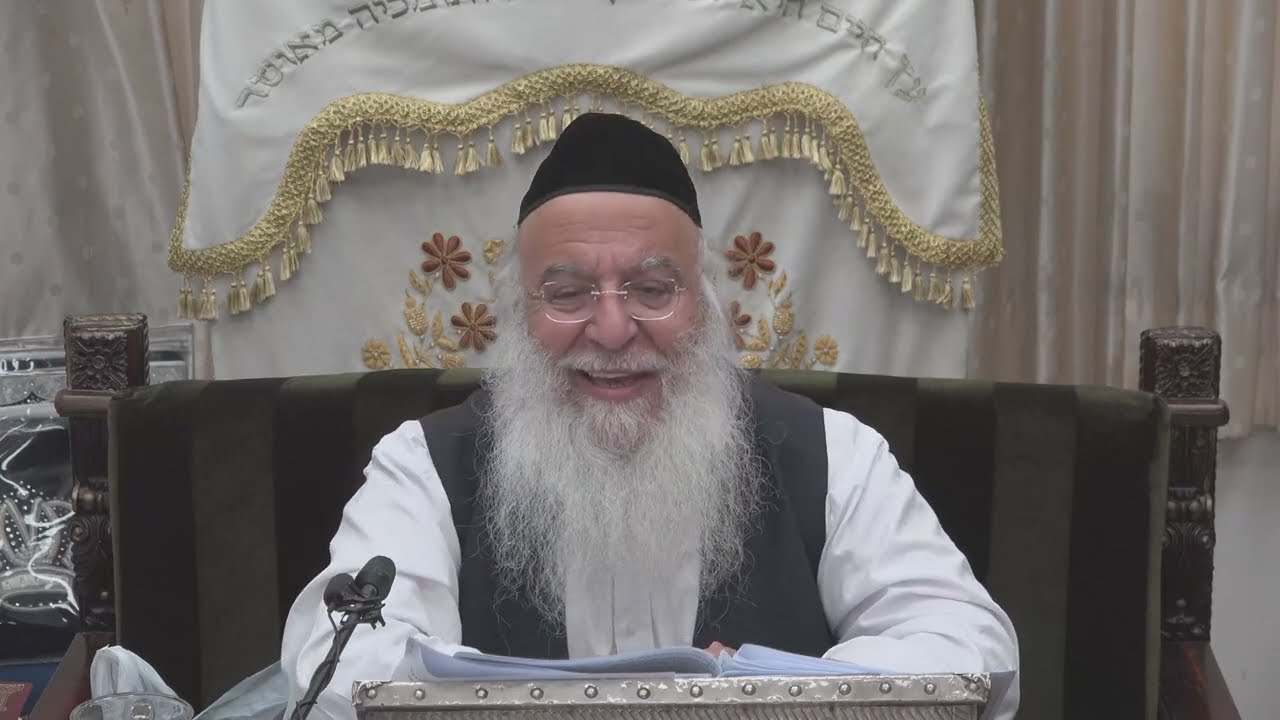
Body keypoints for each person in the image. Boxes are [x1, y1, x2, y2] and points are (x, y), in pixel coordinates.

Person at [280, 113, 1019, 719]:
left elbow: (969, 647)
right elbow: (337, 665)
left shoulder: (832, 453)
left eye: (653, 289)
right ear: (517, 313)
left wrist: (764, 692)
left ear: (707, 303)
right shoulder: (425, 464)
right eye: (567, 294)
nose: (611, 331)